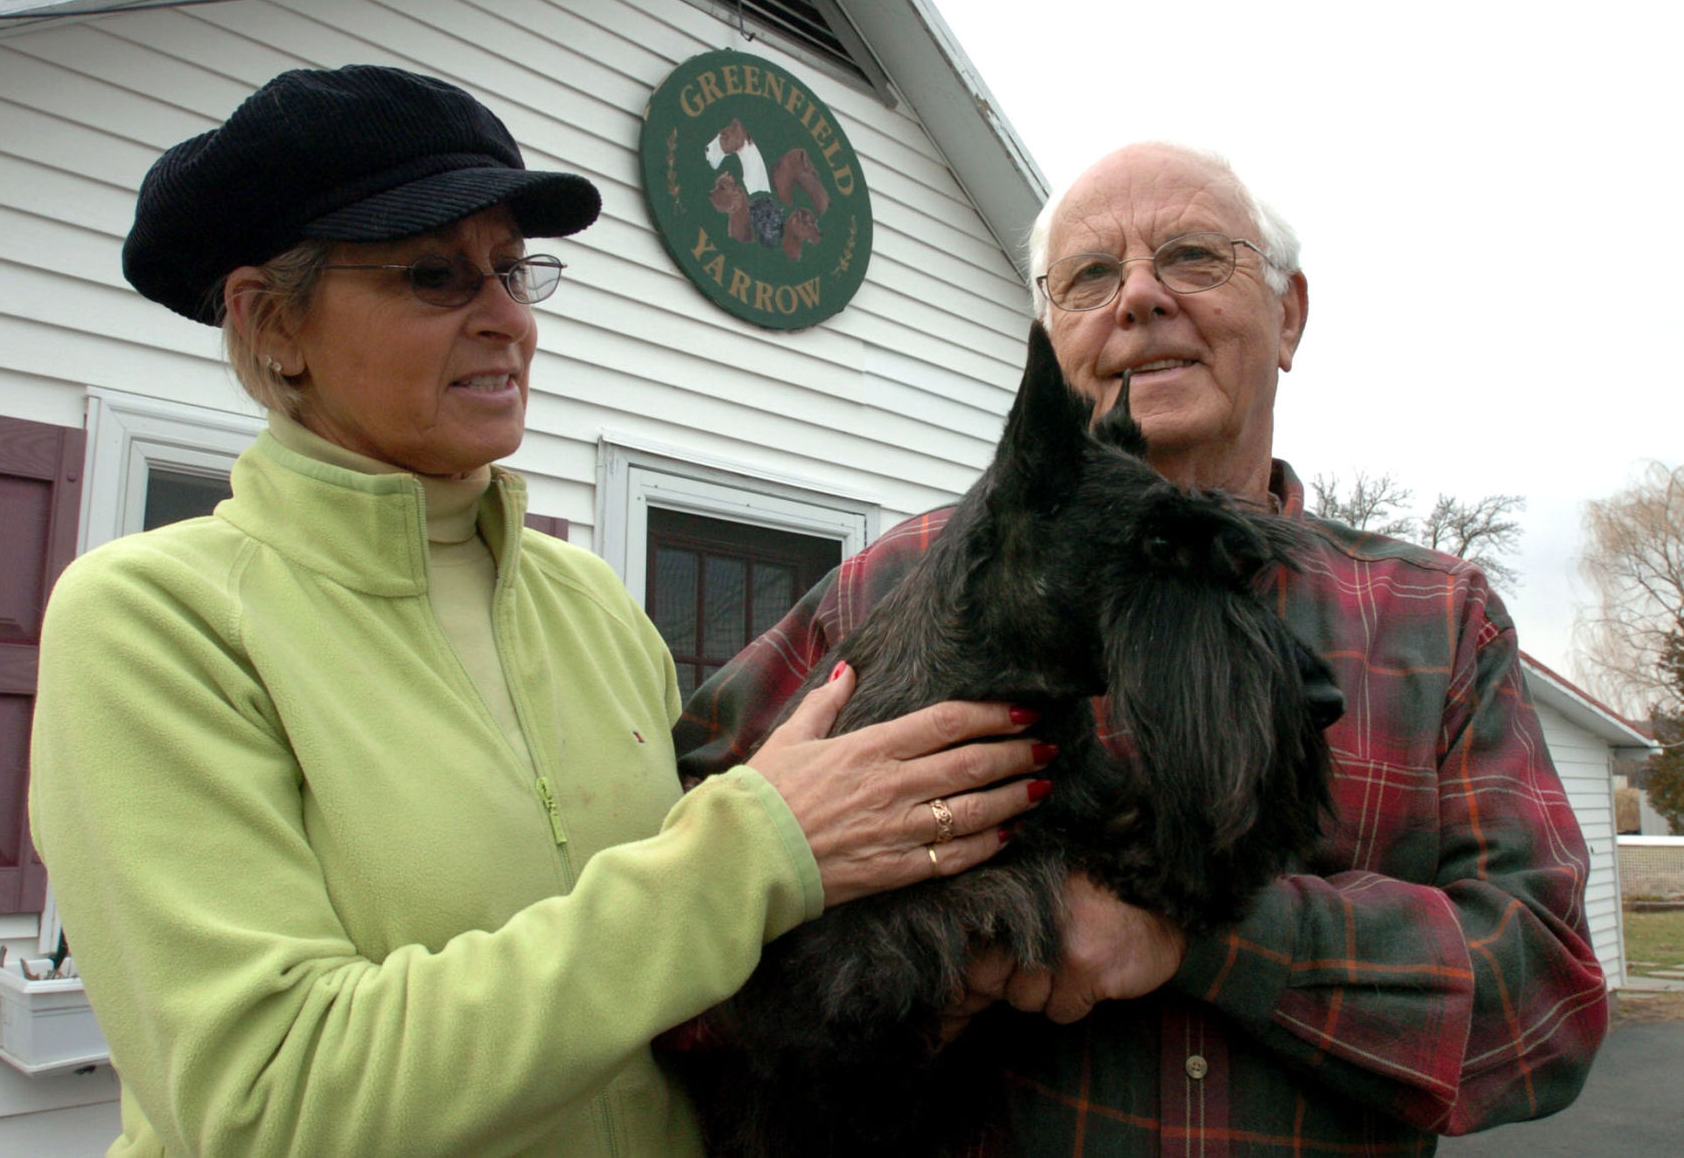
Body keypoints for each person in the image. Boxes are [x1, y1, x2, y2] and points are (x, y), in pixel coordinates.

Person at [26, 64, 1053, 1158]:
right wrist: (758, 845)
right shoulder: (155, 623)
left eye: (512, 271)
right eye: (435, 275)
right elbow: (274, 1100)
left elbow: (682, 988)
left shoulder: (592, 606)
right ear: (270, 320)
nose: (506, 319)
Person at [676, 142, 1610, 1155]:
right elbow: (664, 943)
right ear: (1049, 337)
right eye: (1089, 278)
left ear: (1290, 315)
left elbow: (1547, 1010)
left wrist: (1196, 933)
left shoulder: (1439, 622)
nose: (1139, 300)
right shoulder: (880, 592)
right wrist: (878, 934)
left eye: (1195, 258)